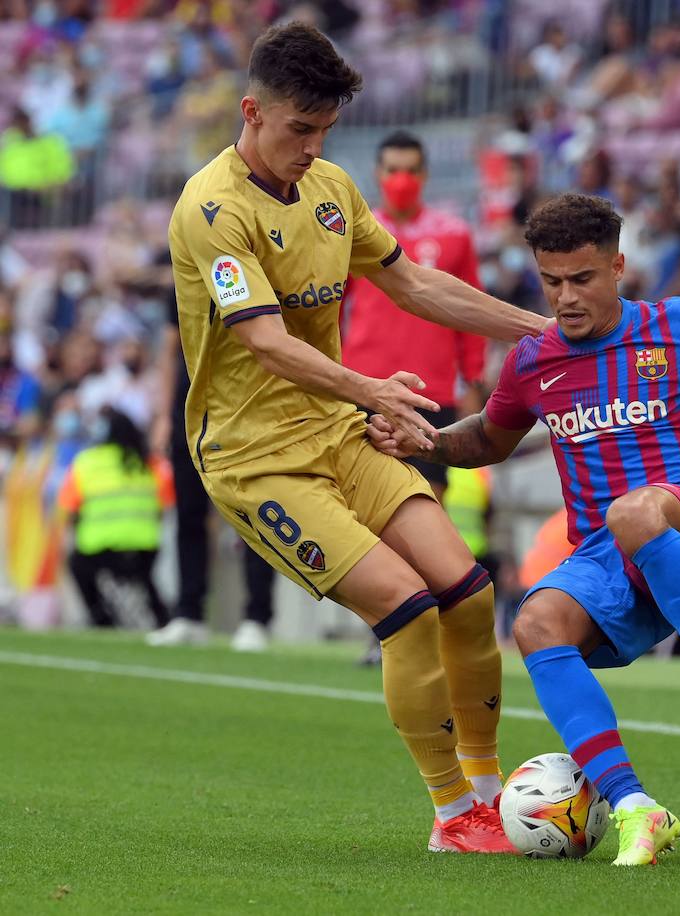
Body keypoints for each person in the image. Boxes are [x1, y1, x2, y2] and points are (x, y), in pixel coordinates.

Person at [166, 22, 548, 855]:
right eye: (300, 128)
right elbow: (266, 342)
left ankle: (491, 795)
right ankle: (454, 816)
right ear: (251, 112)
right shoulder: (211, 209)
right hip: (255, 458)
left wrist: (543, 334)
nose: (314, 147)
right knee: (407, 608)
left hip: (336, 430)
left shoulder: (332, 187)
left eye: (326, 130)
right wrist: (371, 389)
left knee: (467, 591)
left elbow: (413, 283)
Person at [367, 192, 680, 867]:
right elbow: (489, 439)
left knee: (632, 511)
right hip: (607, 558)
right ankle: (635, 808)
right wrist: (427, 440)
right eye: (551, 281)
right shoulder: (535, 359)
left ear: (618, 267)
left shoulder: (679, 326)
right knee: (535, 623)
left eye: (581, 278)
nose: (564, 298)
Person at [342, 130, 489, 666]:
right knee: (366, 509)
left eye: (410, 169)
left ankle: (430, 627)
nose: (401, 179)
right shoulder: (353, 233)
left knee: (426, 509)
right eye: (392, 170)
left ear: (423, 175)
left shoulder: (453, 235)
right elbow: (330, 310)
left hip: (431, 391)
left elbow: (469, 307)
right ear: (379, 175)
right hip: (363, 385)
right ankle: (386, 626)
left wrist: (474, 380)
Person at [147, 260, 278, 653]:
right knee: (189, 512)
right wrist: (163, 415)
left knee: (258, 510)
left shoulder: (252, 268)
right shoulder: (187, 273)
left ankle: (257, 617)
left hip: (245, 406)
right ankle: (188, 613)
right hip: (190, 409)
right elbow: (170, 347)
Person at [58, 408, 174, 629]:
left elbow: (70, 510)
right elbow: (164, 506)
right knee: (145, 578)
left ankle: (101, 618)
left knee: (76, 564)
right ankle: (162, 617)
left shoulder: (85, 463)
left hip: (98, 551)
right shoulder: (151, 463)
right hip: (145, 550)